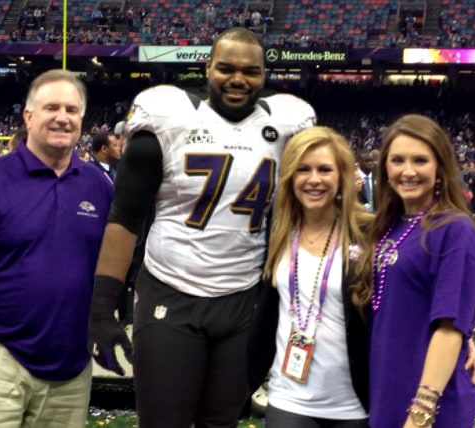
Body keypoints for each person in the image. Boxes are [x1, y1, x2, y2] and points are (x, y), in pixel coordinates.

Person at [89, 27, 316, 427]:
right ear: (207, 67)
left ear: (265, 75)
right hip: (171, 291)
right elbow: (124, 217)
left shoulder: (287, 126)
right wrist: (102, 308)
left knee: (221, 422)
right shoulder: (169, 117)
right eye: (226, 68)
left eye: (251, 71)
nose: (238, 79)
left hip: (244, 300)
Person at [0, 69, 113, 427]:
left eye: (72, 110)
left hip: (71, 366)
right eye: (51, 107)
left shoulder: (99, 186)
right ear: (28, 116)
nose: (62, 117)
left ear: (83, 120)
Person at [361, 114, 475, 428]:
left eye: (420, 160)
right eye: (397, 160)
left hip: (429, 403)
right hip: (387, 389)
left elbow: (449, 327)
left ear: (440, 167)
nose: (408, 171)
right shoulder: (387, 225)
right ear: (385, 167)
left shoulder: (455, 230)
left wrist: (421, 411)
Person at [250, 126, 373, 427]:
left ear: (341, 176)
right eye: (303, 169)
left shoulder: (369, 232)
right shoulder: (276, 228)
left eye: (324, 169)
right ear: (290, 176)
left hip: (354, 403)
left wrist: (459, 336)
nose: (314, 179)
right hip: (288, 398)